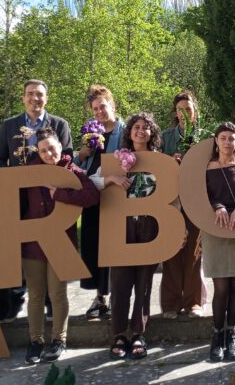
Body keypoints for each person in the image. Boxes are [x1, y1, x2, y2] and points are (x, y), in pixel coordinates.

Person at [0, 79, 73, 322]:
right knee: (21, 250)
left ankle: (50, 304)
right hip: (18, 199)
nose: (34, 98)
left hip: (49, 198)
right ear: (23, 97)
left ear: (46, 98)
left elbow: (67, 156)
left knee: (50, 247)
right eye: (30, 94)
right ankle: (16, 302)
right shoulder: (9, 126)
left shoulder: (59, 124)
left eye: (39, 94)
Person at [22, 128, 99, 365]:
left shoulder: (71, 170)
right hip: (33, 243)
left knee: (57, 294)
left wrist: (62, 195)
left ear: (60, 146)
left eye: (52, 148)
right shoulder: (27, 172)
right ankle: (35, 341)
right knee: (35, 295)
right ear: (38, 151)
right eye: (43, 150)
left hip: (61, 243)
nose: (48, 153)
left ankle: (59, 339)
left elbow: (92, 196)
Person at [89, 112, 161, 360]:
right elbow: (92, 182)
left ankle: (139, 333)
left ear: (152, 133)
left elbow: (171, 197)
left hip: (150, 228)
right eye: (136, 127)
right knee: (119, 283)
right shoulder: (115, 159)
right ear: (129, 132)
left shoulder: (160, 161)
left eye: (146, 127)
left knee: (144, 284)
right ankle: (119, 334)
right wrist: (110, 178)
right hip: (121, 228)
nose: (141, 131)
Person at [75, 84, 124, 320]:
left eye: (102, 107)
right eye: (95, 109)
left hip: (117, 198)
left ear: (112, 105)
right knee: (94, 247)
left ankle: (116, 296)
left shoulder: (125, 131)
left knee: (115, 248)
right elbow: (78, 166)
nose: (99, 112)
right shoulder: (90, 133)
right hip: (93, 196)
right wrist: (83, 152)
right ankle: (100, 297)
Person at [204, 123, 235, 362]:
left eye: (232, 138)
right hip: (215, 229)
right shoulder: (207, 167)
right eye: (223, 138)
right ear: (216, 141)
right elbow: (203, 195)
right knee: (221, 287)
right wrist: (218, 206)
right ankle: (217, 335)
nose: (227, 142)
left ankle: (231, 334)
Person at [160, 91, 206, 319]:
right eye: (180, 110)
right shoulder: (165, 137)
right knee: (171, 250)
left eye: (188, 109)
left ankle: (194, 301)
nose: (184, 114)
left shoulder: (206, 138)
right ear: (175, 113)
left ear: (195, 112)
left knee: (194, 251)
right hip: (171, 201)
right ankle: (170, 303)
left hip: (196, 200)